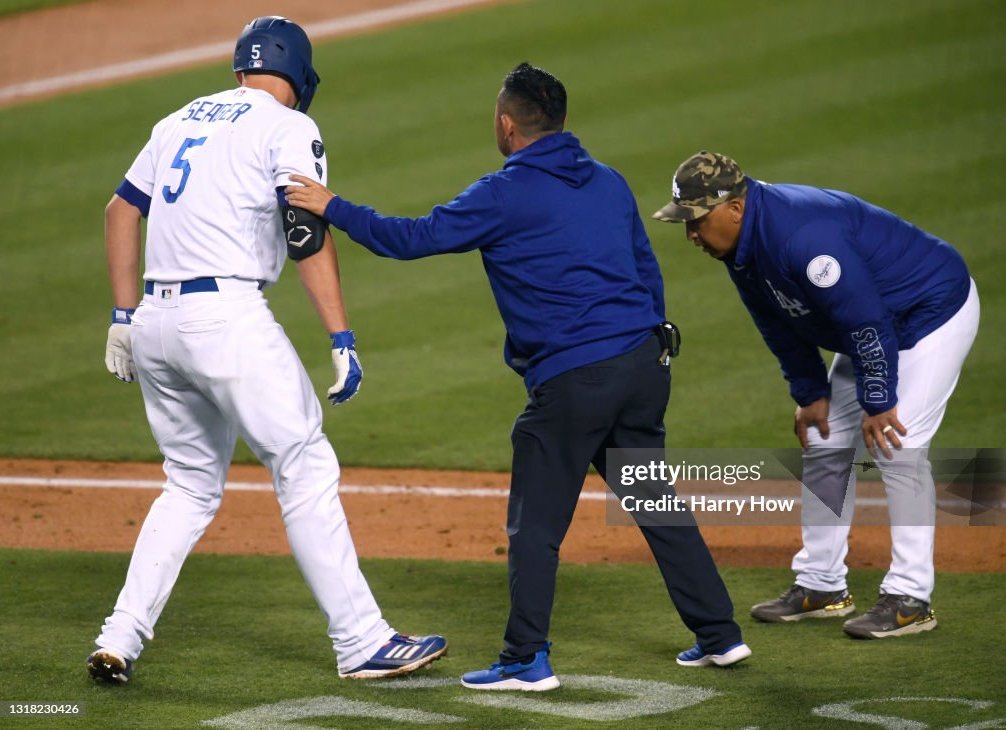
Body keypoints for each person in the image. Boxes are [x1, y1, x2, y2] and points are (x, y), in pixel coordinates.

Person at [284, 62, 750, 691]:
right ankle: (720, 636)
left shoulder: (503, 191)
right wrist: (653, 340)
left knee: (535, 523)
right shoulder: (609, 182)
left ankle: (525, 658)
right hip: (643, 366)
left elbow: (412, 238)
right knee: (655, 504)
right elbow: (646, 270)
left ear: (507, 123)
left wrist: (332, 206)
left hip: (575, 382)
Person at [90, 16, 446, 684]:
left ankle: (119, 638)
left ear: (241, 67)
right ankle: (362, 641)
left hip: (155, 323)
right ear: (300, 75)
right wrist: (341, 336)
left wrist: (121, 315)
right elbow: (304, 227)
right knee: (304, 465)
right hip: (224, 320)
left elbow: (120, 211)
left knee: (190, 484)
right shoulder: (288, 127)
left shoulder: (178, 119)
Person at [652, 151, 979, 639]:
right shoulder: (740, 246)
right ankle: (822, 584)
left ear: (734, 208)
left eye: (697, 220)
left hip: (928, 311)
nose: (691, 234)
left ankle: (912, 597)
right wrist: (810, 392)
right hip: (873, 325)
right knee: (826, 440)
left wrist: (878, 399)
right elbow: (777, 322)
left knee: (897, 447)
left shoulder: (802, 238)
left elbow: (865, 320)